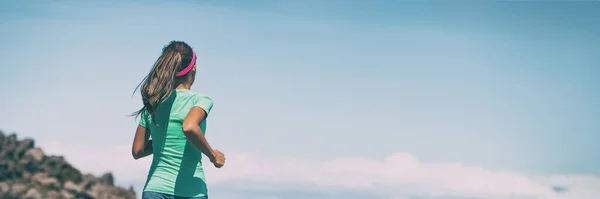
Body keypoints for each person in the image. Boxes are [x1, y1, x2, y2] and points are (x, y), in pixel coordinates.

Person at [130, 40, 225, 199]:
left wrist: (164, 141)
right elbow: (189, 127)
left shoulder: (153, 104)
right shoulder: (200, 100)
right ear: (193, 68)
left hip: (155, 189)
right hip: (191, 191)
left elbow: (137, 150)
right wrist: (213, 155)